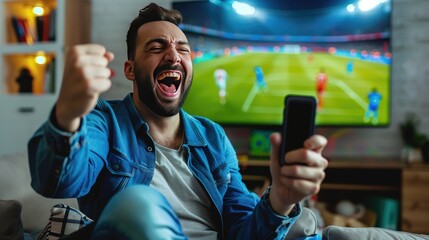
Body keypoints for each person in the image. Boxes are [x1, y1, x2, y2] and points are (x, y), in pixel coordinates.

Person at [27, 3, 328, 239]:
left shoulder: (213, 137)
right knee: (139, 205)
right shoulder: (104, 120)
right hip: (135, 228)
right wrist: (68, 115)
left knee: (306, 224)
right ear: (130, 70)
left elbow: (243, 231)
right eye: (157, 47)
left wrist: (280, 200)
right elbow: (58, 181)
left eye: (183, 48)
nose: (173, 55)